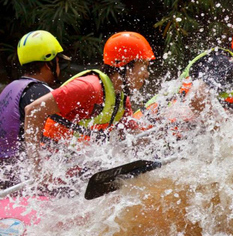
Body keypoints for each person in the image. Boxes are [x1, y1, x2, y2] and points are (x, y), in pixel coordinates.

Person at [24, 31, 154, 168]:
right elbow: (33, 110)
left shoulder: (121, 101)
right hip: (51, 163)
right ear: (124, 65)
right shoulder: (88, 87)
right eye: (144, 65)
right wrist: (37, 167)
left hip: (75, 164)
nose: (146, 74)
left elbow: (137, 138)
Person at [0, 30, 70, 184]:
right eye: (58, 62)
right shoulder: (41, 93)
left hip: (7, 173)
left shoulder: (10, 88)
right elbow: (68, 132)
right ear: (48, 64)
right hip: (24, 177)